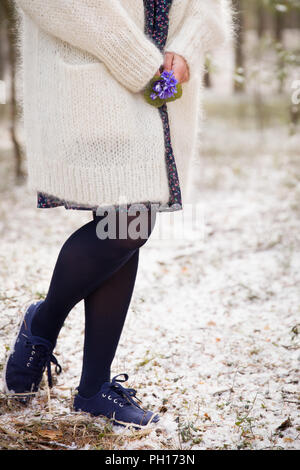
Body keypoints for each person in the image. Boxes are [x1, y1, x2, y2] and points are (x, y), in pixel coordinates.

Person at [3, 0, 233, 428]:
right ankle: (46, 323)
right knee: (128, 223)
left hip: (161, 86)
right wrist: (136, 59)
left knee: (131, 219)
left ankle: (91, 386)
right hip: (90, 78)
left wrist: (185, 47)